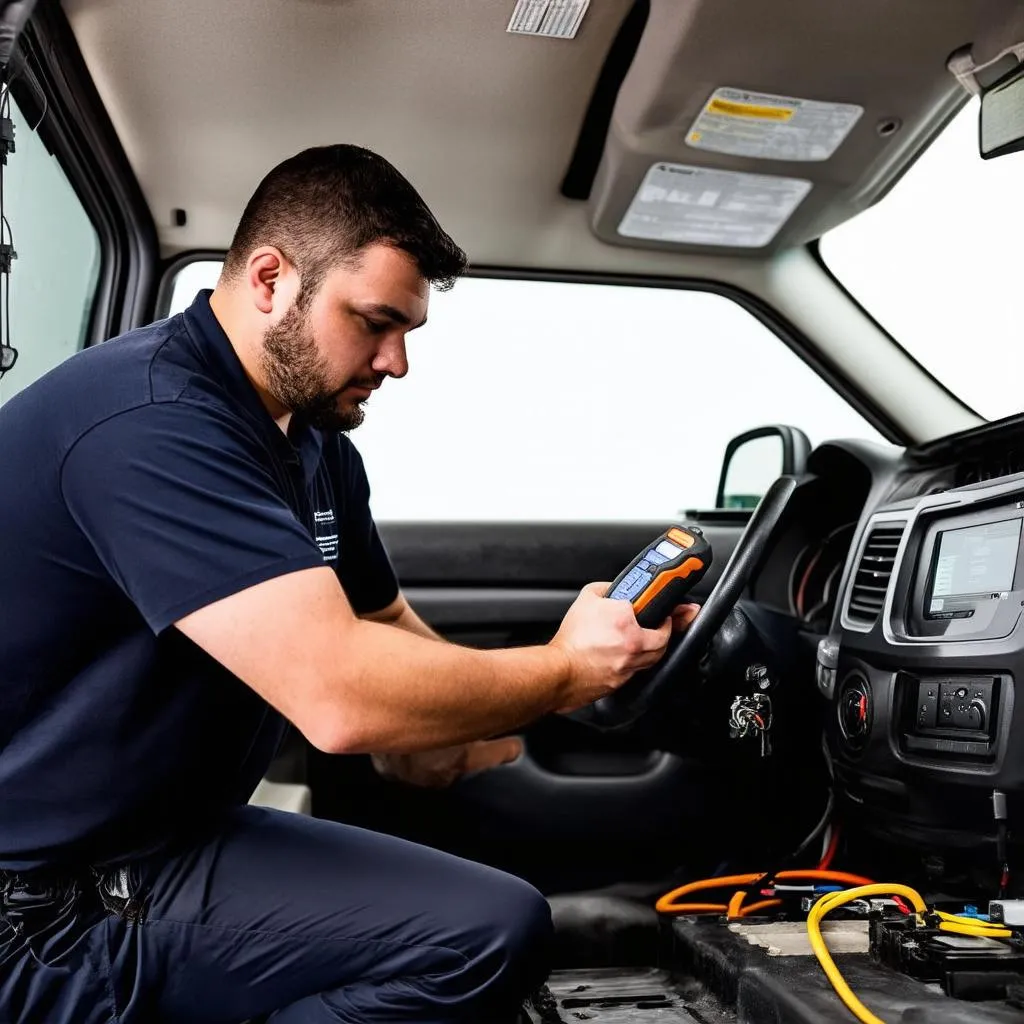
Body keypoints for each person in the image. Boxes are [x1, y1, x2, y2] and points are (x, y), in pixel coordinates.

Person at [0, 145, 697, 1024]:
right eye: (372, 321)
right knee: (484, 935)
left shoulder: (314, 447)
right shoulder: (151, 422)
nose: (396, 361)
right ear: (269, 278)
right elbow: (341, 700)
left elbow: (386, 627)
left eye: (407, 330)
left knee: (493, 924)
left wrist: (512, 705)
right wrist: (561, 672)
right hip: (40, 903)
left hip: (157, 841)